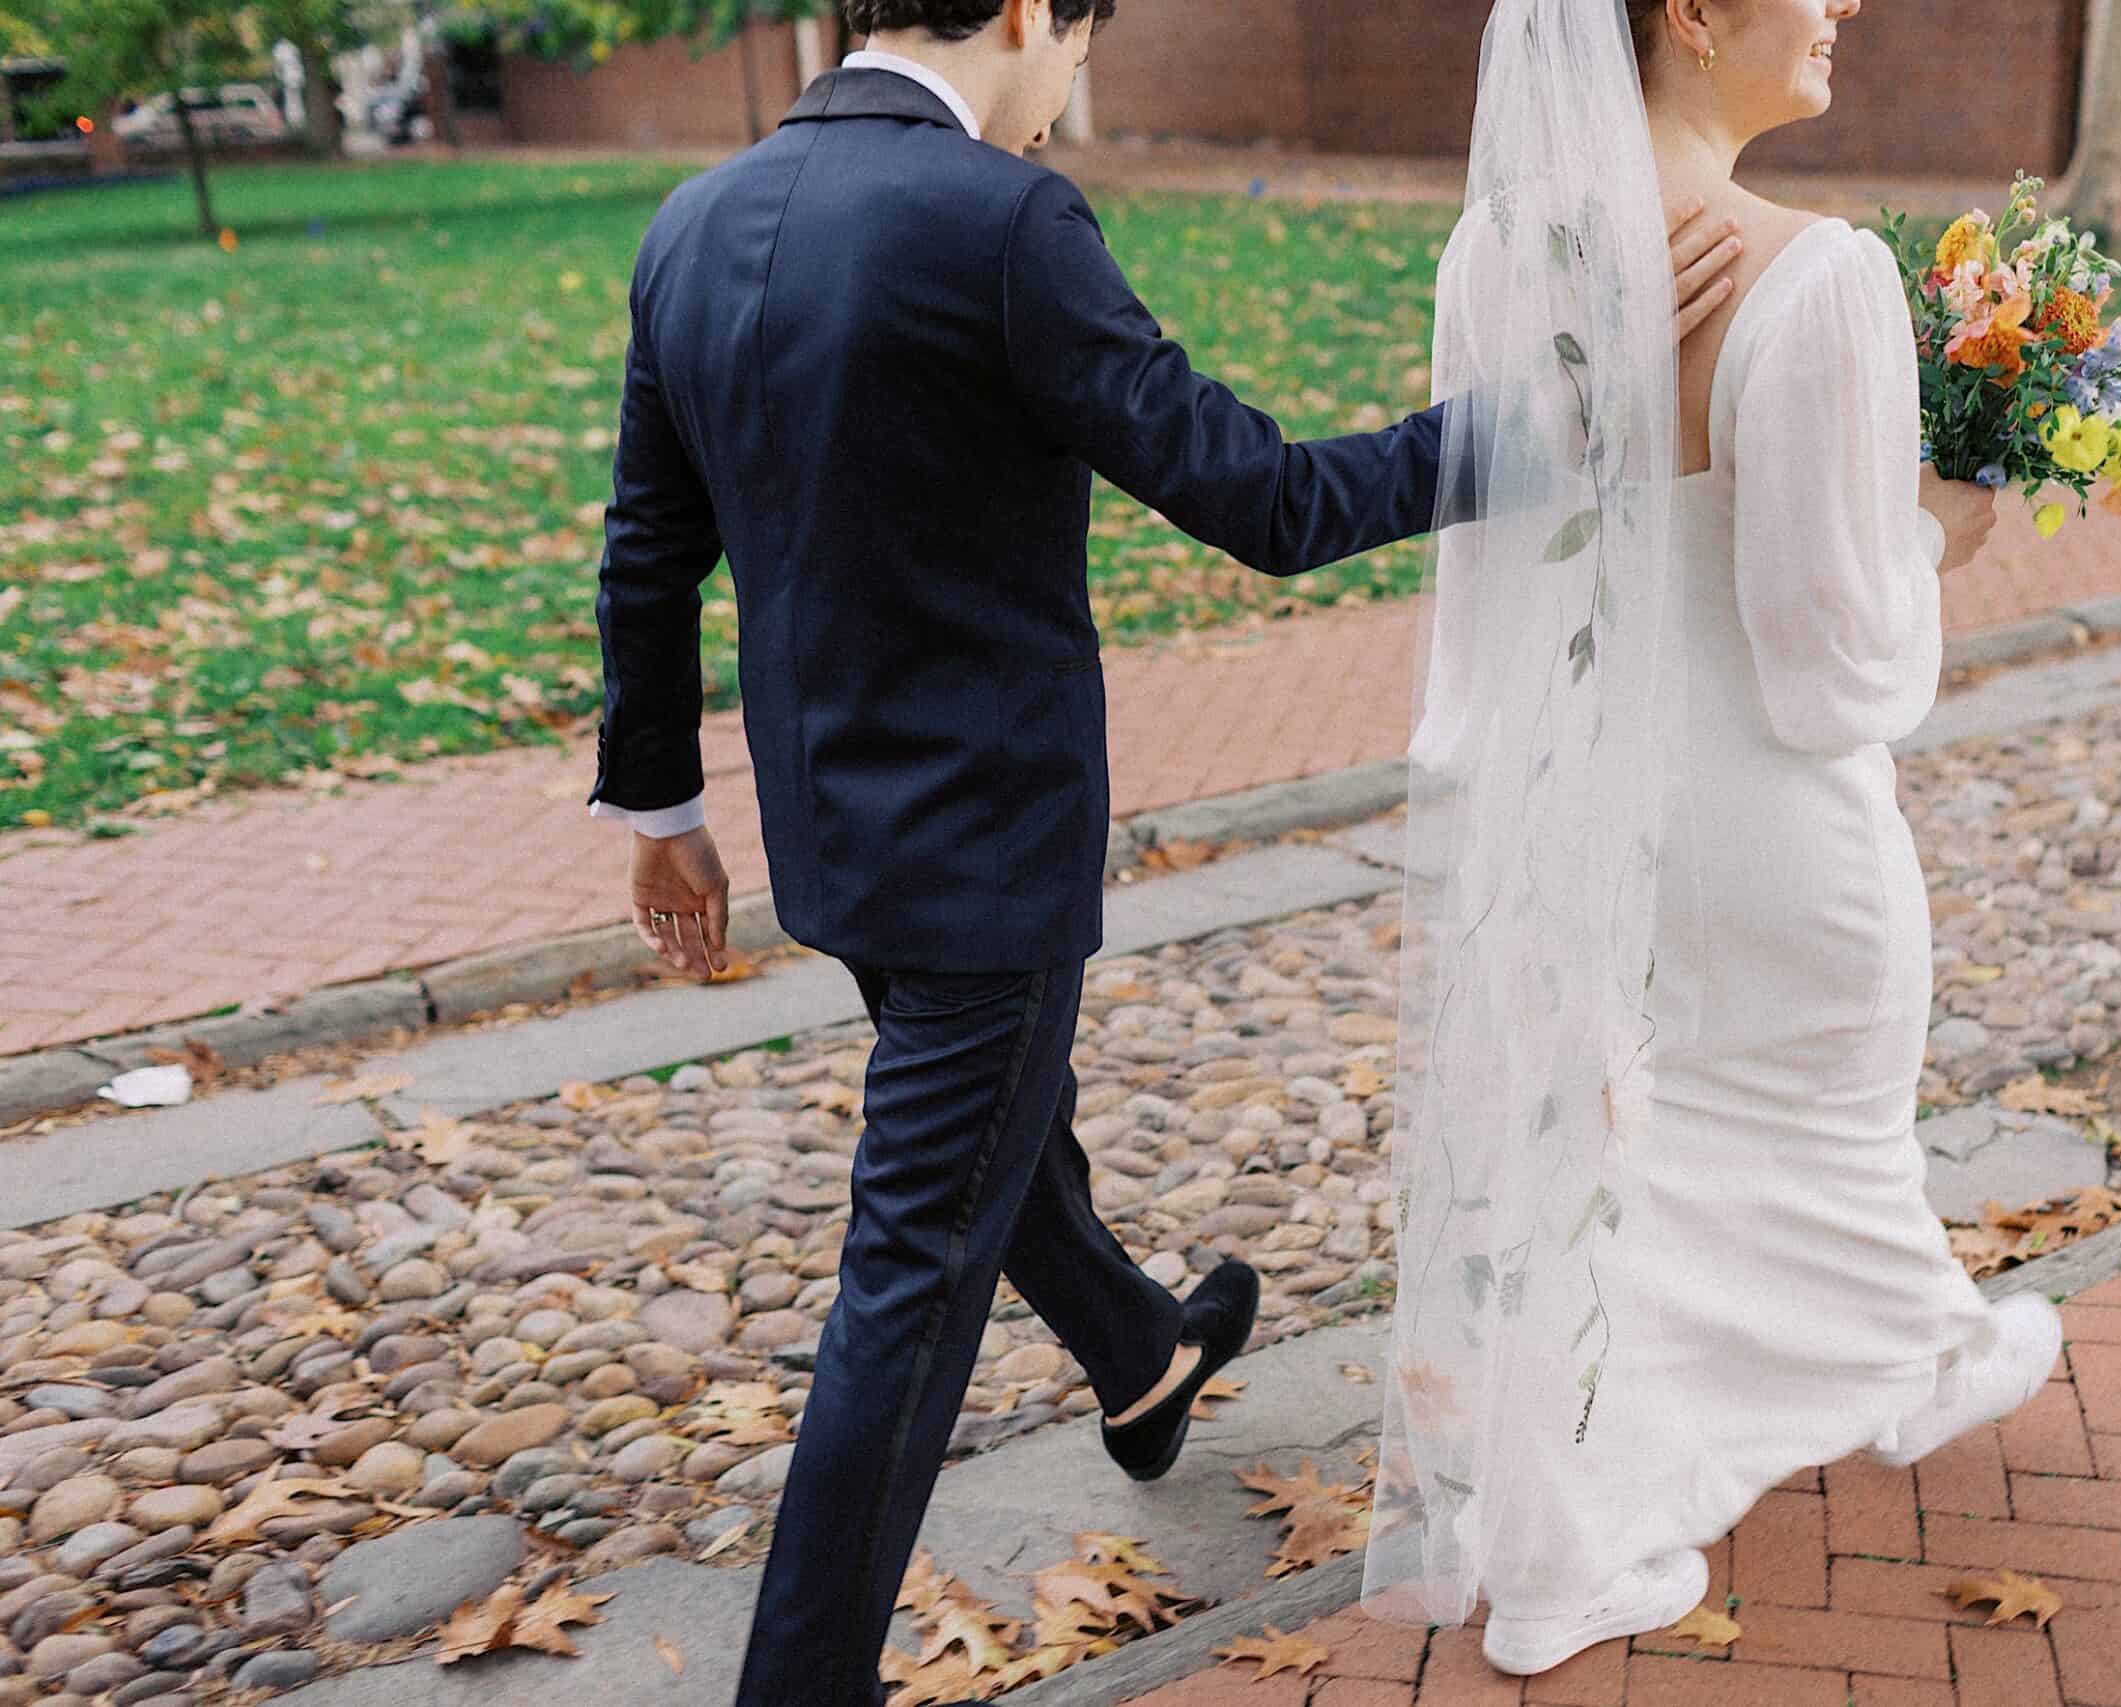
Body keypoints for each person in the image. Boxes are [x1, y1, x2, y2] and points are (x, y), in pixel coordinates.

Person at [582, 2, 1745, 1700]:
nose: (1066, 90)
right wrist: (1559, 412)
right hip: (985, 852)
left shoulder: (692, 222)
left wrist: (662, 811)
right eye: (1074, 46)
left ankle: (1141, 1355)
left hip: (828, 841)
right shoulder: (1000, 222)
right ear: (1026, 12)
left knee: (989, 1125)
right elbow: (1264, 503)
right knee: (909, 1281)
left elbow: (646, 547)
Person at [1366, 0, 2063, 1677]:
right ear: (1688, 14)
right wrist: (1950, 527)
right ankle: (1898, 1359)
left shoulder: (1488, 254)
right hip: (1766, 817)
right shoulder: (1817, 278)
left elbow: (1498, 557)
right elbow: (1836, 665)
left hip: (1584, 800)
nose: (1843, 14)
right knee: (1828, 1133)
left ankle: (1568, 1537)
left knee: (1613, 1174)